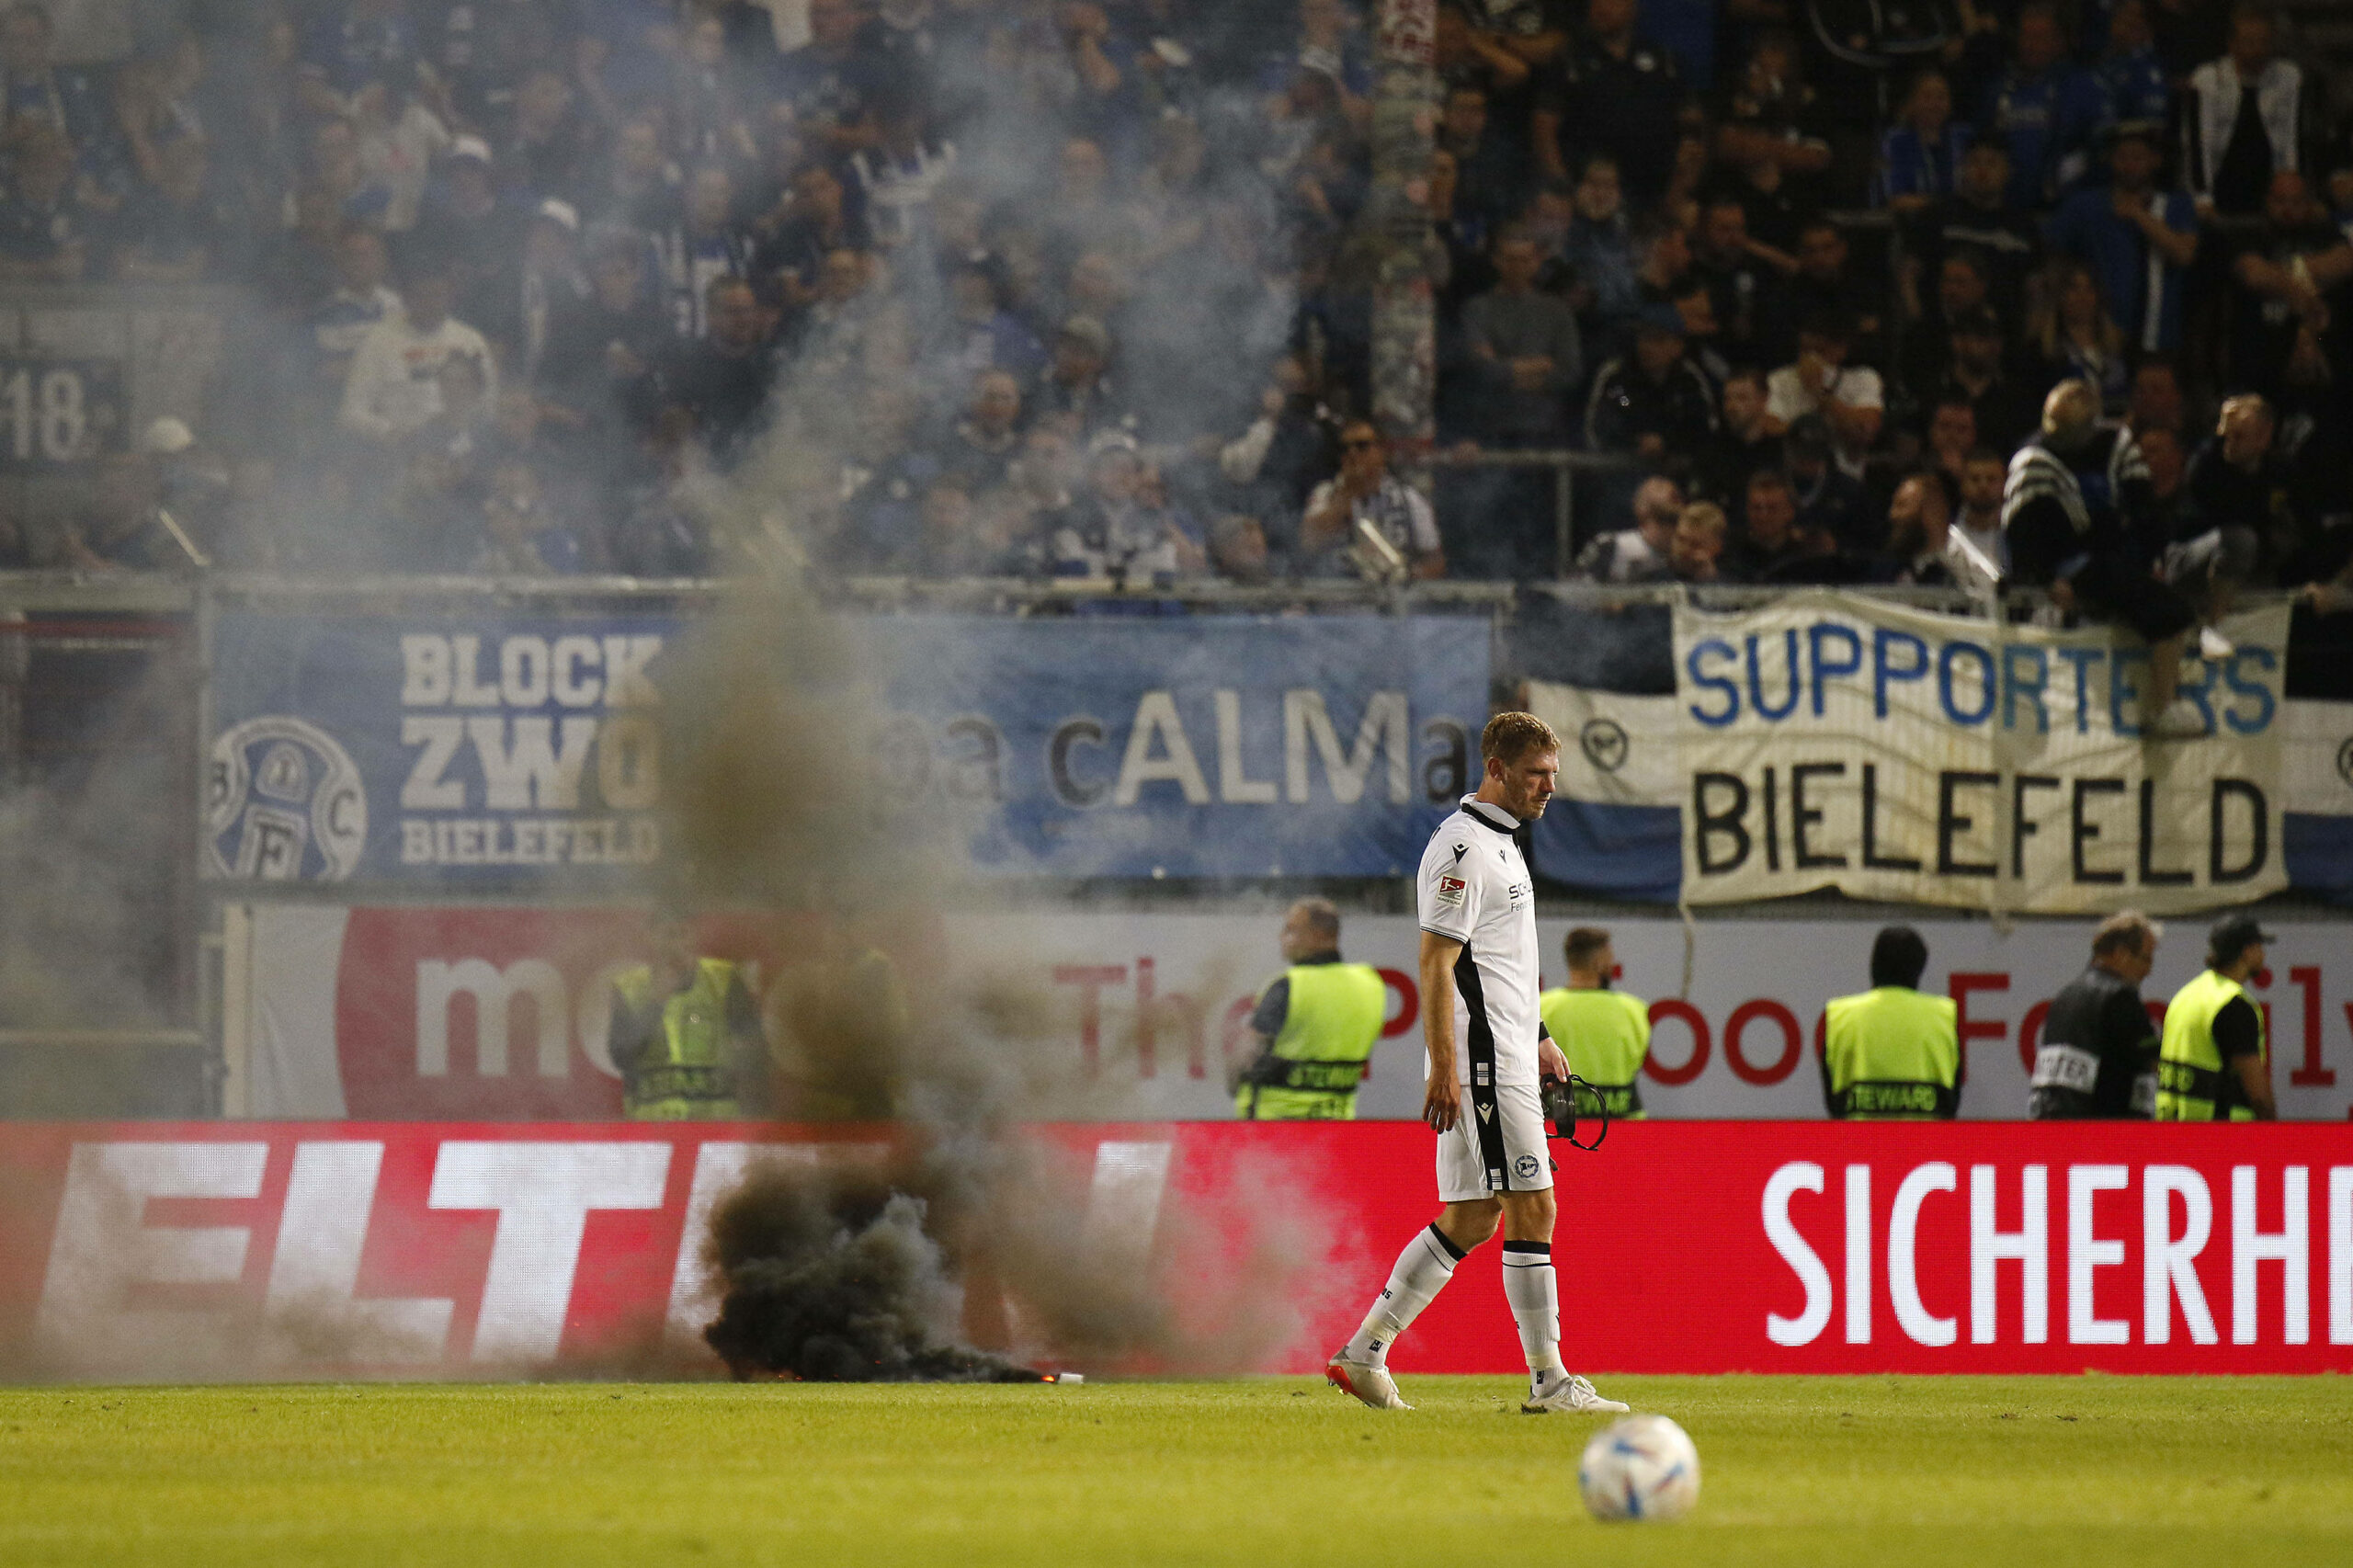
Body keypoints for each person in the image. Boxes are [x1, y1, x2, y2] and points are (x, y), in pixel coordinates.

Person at [1327, 712, 1627, 1417]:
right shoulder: (1463, 848)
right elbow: (1435, 961)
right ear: (1496, 768)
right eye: (1535, 775)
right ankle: (1550, 1383)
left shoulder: (1504, 842)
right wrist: (1444, 1070)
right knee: (1535, 1205)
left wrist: (1543, 1033)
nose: (1548, 788)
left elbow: (1497, 963)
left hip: (1510, 1052)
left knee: (1471, 1216)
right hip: (1484, 1063)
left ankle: (1363, 1353)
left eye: (1553, 775)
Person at [2002, 380, 2201, 737]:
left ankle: (2166, 704)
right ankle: (2165, 707)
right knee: (2170, 614)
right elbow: (2023, 534)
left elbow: (2145, 511)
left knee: (2171, 612)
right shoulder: (2032, 459)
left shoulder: (2116, 444)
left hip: (2116, 559)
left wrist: (2149, 560)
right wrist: (2047, 580)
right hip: (2073, 566)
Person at [1231, 898, 1389, 1121]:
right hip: (1338, 1125)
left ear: (1318, 936)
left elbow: (1241, 1065)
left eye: (1290, 930)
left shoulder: (1289, 986)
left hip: (1273, 1129)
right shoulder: (1371, 984)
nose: (1281, 937)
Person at [608, 911, 769, 1119]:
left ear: (695, 936)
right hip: (653, 1127)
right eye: (667, 934)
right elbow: (622, 1056)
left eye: (682, 932)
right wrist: (656, 1003)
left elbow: (755, 1051)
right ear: (650, 937)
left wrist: (755, 1122)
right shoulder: (629, 988)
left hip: (716, 1127)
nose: (675, 943)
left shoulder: (724, 980)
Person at [2028, 911, 2162, 1119]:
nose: (2149, 970)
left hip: (2051, 1122)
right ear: (2120, 953)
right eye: (2146, 959)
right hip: (2099, 1131)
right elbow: (2153, 1060)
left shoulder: (2065, 997)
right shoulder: (2120, 998)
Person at [1822, 926, 1961, 1119]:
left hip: (1858, 1146)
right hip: (1927, 1146)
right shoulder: (1945, 1016)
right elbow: (1952, 1102)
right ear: (1919, 969)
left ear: (1873, 965)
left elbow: (1833, 1103)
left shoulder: (1839, 1016)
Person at [2155, 912, 2277, 1120]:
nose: (2263, 955)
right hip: (2220, 1138)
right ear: (2247, 952)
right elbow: (2257, 1094)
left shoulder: (2185, 996)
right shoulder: (2234, 1005)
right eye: (2259, 948)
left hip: (2174, 1132)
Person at [1299, 421, 1445, 580]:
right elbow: (1309, 543)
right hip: (1339, 596)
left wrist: (1409, 575)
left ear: (1381, 451)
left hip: (1392, 597)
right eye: (1345, 448)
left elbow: (1435, 560)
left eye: (1362, 446)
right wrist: (1349, 495)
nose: (1352, 453)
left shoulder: (1408, 498)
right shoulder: (1326, 493)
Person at [1538, 927, 1650, 1119]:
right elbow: (1637, 1061)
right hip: (1624, 1124)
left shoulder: (1541, 1007)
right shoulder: (1634, 1011)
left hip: (1558, 1123)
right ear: (1600, 963)